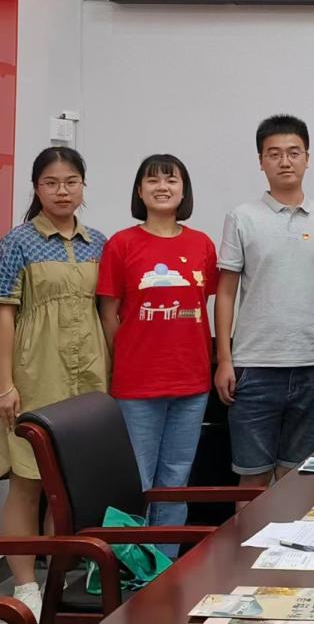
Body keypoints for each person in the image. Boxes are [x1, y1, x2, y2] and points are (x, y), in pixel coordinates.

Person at [214, 115, 314, 488]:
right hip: (253, 367)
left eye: (294, 152)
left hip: (311, 366)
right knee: (253, 479)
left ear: (307, 158)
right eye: (274, 154)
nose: (285, 161)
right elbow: (225, 292)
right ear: (261, 161)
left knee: (297, 480)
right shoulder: (241, 218)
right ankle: (249, 534)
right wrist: (224, 359)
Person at [0, 147, 108, 618]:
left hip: (89, 373)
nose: (62, 191)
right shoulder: (17, 242)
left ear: (83, 186)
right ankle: (25, 584)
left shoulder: (98, 242)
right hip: (35, 372)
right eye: (50, 182)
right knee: (28, 479)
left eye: (70, 182)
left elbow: (106, 311)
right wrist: (5, 383)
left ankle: (56, 577)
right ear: (36, 188)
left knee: (66, 484)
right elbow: (4, 314)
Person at [96, 154, 219, 551]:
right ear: (139, 190)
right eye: (152, 180)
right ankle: (132, 569)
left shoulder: (202, 244)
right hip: (136, 385)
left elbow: (204, 304)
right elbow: (109, 314)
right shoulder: (121, 244)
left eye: (171, 180)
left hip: (192, 382)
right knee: (138, 482)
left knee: (176, 481)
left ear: (184, 190)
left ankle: (165, 566)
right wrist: (131, 356)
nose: (162, 187)